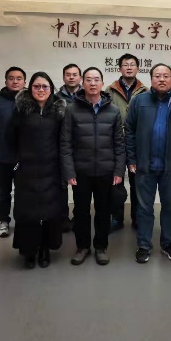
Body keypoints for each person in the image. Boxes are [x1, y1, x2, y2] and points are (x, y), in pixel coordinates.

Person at [125, 63, 171, 264]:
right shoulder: (139, 101)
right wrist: (132, 159)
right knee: (144, 208)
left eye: (166, 76)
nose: (162, 79)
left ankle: (168, 243)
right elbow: (129, 130)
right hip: (144, 166)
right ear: (151, 79)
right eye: (157, 76)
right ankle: (144, 245)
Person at [61, 67, 125, 266]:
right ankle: (82, 247)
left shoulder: (113, 110)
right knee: (80, 212)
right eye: (88, 79)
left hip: (106, 171)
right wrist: (69, 171)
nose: (92, 83)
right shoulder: (72, 109)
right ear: (83, 82)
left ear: (102, 83)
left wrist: (118, 170)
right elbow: (65, 143)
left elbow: (119, 144)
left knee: (103, 211)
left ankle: (101, 247)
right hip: (81, 171)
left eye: (96, 79)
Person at [11, 72, 68, 269]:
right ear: (30, 89)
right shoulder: (20, 110)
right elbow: (9, 137)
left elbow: (64, 141)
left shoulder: (59, 112)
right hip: (26, 170)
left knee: (49, 212)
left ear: (51, 89)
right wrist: (16, 162)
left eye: (45, 86)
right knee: (28, 213)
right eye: (36, 86)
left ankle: (45, 248)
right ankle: (29, 251)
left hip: (52, 169)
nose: (41, 90)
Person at [0, 66, 26, 238]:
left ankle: (22, 221)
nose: (15, 81)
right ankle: (2, 221)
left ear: (24, 82)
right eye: (11, 78)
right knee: (2, 192)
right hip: (3, 157)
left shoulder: (30, 101)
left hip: (25, 157)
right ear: (6, 81)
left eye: (19, 78)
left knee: (23, 192)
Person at [106, 53, 148, 231]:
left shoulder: (146, 92)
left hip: (137, 144)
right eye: (125, 64)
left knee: (137, 182)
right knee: (115, 182)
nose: (129, 67)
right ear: (119, 68)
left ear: (138, 68)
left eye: (132, 64)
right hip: (114, 143)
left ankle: (137, 218)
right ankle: (116, 218)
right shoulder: (109, 91)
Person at [56, 63, 83, 232]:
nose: (71, 77)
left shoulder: (88, 96)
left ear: (80, 78)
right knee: (61, 186)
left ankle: (79, 217)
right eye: (68, 74)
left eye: (75, 74)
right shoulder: (56, 99)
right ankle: (63, 218)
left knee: (80, 187)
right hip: (62, 147)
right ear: (63, 77)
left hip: (82, 149)